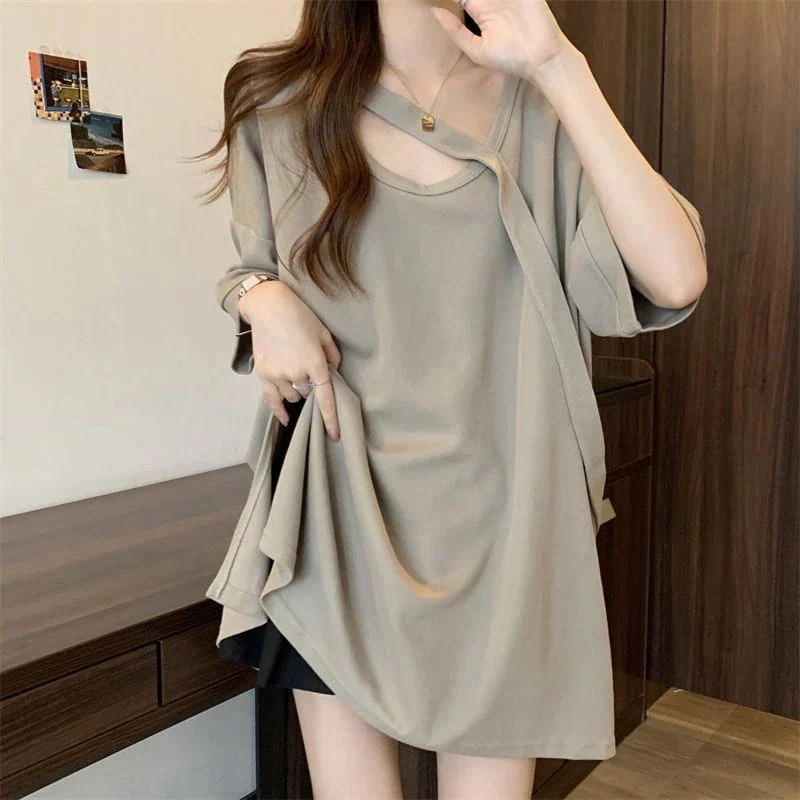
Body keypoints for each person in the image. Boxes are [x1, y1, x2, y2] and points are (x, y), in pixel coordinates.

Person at [198, 0, 708, 797]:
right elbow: (252, 263)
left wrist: (559, 66)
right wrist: (258, 298)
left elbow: (674, 277)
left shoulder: (542, 107)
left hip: (507, 526)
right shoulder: (277, 98)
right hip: (340, 511)